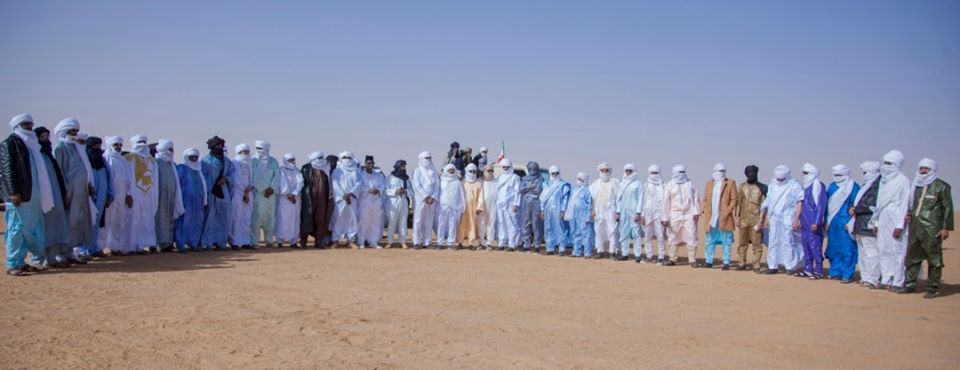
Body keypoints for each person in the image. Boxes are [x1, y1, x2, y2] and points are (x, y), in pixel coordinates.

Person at [2, 114, 54, 276]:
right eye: (25, 125)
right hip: (20, 195)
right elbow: (6, 169)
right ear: (17, 126)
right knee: (16, 228)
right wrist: (12, 192)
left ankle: (23, 262)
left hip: (33, 194)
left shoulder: (31, 145)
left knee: (29, 229)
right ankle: (13, 263)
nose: (29, 128)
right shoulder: (10, 144)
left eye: (31, 124)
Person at [904, 158, 952, 298]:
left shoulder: (941, 186)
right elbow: (912, 205)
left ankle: (932, 287)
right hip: (915, 226)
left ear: (932, 170)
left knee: (934, 259)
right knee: (912, 257)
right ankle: (910, 284)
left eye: (926, 169)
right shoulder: (916, 186)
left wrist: (945, 228)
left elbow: (947, 208)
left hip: (932, 228)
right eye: (921, 168)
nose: (923, 171)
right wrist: (909, 215)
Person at [52, 118, 96, 262]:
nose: (75, 133)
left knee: (77, 222)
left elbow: (85, 169)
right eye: (72, 130)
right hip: (68, 192)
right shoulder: (60, 147)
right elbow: (58, 171)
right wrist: (63, 191)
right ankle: (60, 253)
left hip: (81, 191)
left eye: (76, 131)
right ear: (64, 131)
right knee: (66, 221)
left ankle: (70, 252)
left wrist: (88, 185)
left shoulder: (76, 147)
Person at [876, 150, 912, 292]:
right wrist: (877, 223)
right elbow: (879, 203)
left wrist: (899, 225)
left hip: (896, 216)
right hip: (883, 216)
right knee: (883, 248)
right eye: (884, 163)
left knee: (897, 250)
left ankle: (898, 281)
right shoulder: (883, 181)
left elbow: (904, 204)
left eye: (889, 163)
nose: (886, 166)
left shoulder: (903, 181)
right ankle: (886, 279)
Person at [758, 165, 804, 274]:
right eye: (778, 179)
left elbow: (800, 201)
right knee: (773, 241)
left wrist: (796, 219)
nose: (780, 181)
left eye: (782, 179)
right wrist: (762, 219)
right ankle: (772, 265)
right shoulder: (773, 185)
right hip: (774, 217)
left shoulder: (794, 185)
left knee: (788, 241)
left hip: (788, 216)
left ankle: (790, 266)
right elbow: (767, 202)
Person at [34, 126, 67, 268]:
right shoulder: (35, 156)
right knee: (42, 228)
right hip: (41, 198)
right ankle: (39, 259)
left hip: (55, 197)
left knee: (55, 225)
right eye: (43, 137)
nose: (46, 140)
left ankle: (52, 258)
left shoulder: (49, 156)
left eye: (47, 137)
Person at [825, 164, 860, 283]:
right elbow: (827, 205)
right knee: (833, 248)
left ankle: (847, 274)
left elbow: (856, 205)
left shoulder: (853, 187)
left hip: (846, 222)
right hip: (833, 222)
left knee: (847, 248)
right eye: (835, 175)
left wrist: (851, 221)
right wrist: (826, 221)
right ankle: (835, 272)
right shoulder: (832, 186)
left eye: (839, 175)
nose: (837, 177)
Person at [99, 136, 134, 255]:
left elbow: (128, 179)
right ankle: (101, 247)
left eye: (120, 145)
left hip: (122, 195)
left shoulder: (122, 160)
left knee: (118, 222)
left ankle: (115, 247)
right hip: (111, 196)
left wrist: (128, 194)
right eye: (115, 145)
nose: (118, 147)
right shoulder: (106, 158)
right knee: (107, 222)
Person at [661, 164, 700, 266]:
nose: (681, 174)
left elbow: (696, 198)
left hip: (689, 214)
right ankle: (672, 259)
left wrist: (696, 211)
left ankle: (692, 260)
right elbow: (665, 202)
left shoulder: (690, 184)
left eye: (683, 172)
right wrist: (665, 217)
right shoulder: (669, 185)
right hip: (674, 214)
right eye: (679, 172)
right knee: (673, 235)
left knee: (691, 235)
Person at [125, 134, 159, 253]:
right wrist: (128, 193)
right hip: (135, 193)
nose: (142, 145)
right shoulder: (129, 158)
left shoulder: (151, 160)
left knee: (146, 220)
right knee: (134, 219)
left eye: (144, 142)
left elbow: (154, 179)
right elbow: (127, 178)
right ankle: (132, 246)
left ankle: (143, 244)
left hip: (148, 194)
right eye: (139, 142)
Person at [701, 163, 738, 269]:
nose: (720, 173)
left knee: (726, 240)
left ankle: (726, 262)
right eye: (718, 170)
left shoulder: (730, 183)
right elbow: (705, 199)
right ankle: (709, 261)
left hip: (724, 217)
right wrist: (705, 209)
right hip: (711, 217)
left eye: (722, 170)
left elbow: (734, 199)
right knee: (710, 240)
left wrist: (728, 210)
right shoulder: (709, 184)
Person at [796, 163, 828, 278]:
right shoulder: (806, 186)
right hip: (805, 222)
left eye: (806, 173)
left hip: (813, 222)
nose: (803, 175)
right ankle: (808, 269)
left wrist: (817, 221)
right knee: (806, 246)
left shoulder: (818, 186)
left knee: (815, 246)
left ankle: (818, 271)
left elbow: (821, 205)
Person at [200, 136, 233, 250]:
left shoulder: (227, 161)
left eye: (221, 146)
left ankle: (221, 242)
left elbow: (232, 174)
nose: (220, 148)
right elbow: (203, 179)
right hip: (211, 193)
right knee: (210, 218)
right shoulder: (205, 161)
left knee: (224, 218)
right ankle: (208, 242)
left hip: (224, 193)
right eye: (217, 146)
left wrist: (226, 179)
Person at [155, 139, 185, 252]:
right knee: (160, 219)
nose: (171, 152)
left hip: (171, 196)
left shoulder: (172, 164)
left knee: (169, 220)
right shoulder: (157, 162)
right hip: (160, 197)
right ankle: (159, 242)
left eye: (172, 149)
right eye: (169, 149)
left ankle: (168, 243)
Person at [736, 165, 767, 272]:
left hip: (756, 220)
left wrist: (762, 220)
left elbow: (764, 206)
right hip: (744, 219)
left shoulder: (761, 188)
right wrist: (738, 218)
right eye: (749, 172)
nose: (751, 174)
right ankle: (741, 262)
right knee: (742, 243)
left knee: (757, 243)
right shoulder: (741, 187)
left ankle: (756, 264)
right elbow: (739, 204)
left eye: (753, 172)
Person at [300, 151, 333, 249]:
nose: (321, 160)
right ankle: (303, 241)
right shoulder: (306, 168)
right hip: (309, 199)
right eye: (319, 158)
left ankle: (319, 241)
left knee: (321, 220)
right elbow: (302, 183)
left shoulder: (326, 169)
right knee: (307, 219)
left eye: (322, 158)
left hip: (322, 199)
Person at [175, 148, 206, 252]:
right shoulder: (181, 169)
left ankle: (194, 243)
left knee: (197, 221)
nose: (193, 159)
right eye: (191, 157)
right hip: (186, 200)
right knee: (184, 222)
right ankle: (181, 244)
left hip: (198, 201)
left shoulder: (199, 170)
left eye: (195, 157)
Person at [85, 136, 111, 257]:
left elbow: (109, 178)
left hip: (101, 196)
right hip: (88, 196)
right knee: (86, 221)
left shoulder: (103, 162)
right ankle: (83, 250)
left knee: (96, 221)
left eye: (99, 146)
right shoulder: (85, 160)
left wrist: (110, 194)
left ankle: (94, 248)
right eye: (94, 146)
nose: (97, 148)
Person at [250, 140, 279, 247]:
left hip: (271, 194)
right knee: (257, 216)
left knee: (270, 217)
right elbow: (252, 177)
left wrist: (271, 188)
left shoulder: (274, 162)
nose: (260, 151)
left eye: (262, 148)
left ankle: (269, 240)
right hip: (258, 193)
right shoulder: (252, 161)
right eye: (258, 148)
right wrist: (263, 188)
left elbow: (277, 177)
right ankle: (254, 241)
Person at [589, 162, 620, 259]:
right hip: (599, 211)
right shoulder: (595, 184)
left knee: (612, 230)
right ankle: (600, 251)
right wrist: (593, 210)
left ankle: (612, 252)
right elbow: (593, 198)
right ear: (599, 171)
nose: (605, 172)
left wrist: (618, 212)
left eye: (607, 170)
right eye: (602, 170)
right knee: (598, 231)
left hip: (611, 211)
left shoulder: (614, 183)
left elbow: (618, 199)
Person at [332, 151, 361, 247]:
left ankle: (351, 240)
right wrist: (343, 195)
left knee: (352, 219)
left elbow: (358, 184)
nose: (346, 159)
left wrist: (351, 194)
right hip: (341, 200)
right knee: (338, 218)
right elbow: (335, 184)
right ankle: (335, 240)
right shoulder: (337, 171)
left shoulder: (356, 171)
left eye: (349, 157)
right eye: (344, 157)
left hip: (352, 199)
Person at [411, 151, 440, 249]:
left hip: (431, 200)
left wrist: (432, 197)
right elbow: (416, 185)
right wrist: (425, 197)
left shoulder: (433, 171)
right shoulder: (417, 170)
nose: (429, 160)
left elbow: (437, 186)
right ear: (421, 159)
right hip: (421, 200)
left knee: (429, 221)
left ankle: (427, 242)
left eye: (430, 158)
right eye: (426, 158)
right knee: (418, 220)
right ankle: (416, 242)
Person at [639, 165, 666, 264]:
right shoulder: (646, 185)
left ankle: (661, 256)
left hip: (659, 213)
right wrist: (642, 214)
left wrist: (665, 215)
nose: (654, 175)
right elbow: (643, 200)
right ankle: (648, 255)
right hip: (648, 213)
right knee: (647, 236)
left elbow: (665, 201)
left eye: (656, 173)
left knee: (660, 235)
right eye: (652, 173)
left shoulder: (663, 185)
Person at [229, 144, 255, 249]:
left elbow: (252, 178)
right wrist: (243, 193)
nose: (246, 154)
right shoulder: (234, 163)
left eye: (247, 151)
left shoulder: (249, 164)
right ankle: (234, 241)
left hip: (248, 193)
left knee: (246, 218)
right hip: (237, 193)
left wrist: (250, 188)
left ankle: (245, 241)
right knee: (236, 217)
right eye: (244, 151)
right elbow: (235, 180)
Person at [275, 153, 303, 247]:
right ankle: (280, 240)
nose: (292, 162)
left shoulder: (297, 171)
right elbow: (281, 184)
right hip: (284, 199)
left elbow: (300, 183)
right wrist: (288, 194)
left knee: (295, 220)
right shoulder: (281, 170)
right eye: (290, 160)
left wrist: (294, 194)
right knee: (282, 219)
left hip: (295, 199)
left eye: (293, 160)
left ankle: (293, 241)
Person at [541, 165, 570, 255]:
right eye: (553, 173)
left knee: (560, 228)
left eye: (557, 173)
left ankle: (561, 248)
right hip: (547, 210)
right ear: (550, 173)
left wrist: (563, 210)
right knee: (548, 228)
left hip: (558, 210)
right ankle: (550, 248)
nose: (555, 175)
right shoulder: (545, 184)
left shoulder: (563, 185)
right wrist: (542, 210)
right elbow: (542, 198)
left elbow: (565, 199)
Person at [357, 155, 385, 248]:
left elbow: (382, 186)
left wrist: (378, 190)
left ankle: (373, 241)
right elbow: (359, 187)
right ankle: (361, 241)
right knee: (363, 221)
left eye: (372, 163)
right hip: (365, 201)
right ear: (365, 164)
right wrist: (368, 190)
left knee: (375, 221)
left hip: (376, 201)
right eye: (369, 163)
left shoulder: (378, 175)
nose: (371, 165)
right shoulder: (360, 175)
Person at [617, 164, 643, 261]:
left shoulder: (638, 184)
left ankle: (637, 255)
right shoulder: (622, 183)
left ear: (634, 171)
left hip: (633, 211)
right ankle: (625, 254)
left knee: (636, 233)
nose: (628, 172)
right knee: (623, 232)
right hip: (623, 211)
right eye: (626, 170)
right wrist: (618, 212)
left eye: (630, 171)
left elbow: (641, 199)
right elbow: (618, 199)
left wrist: (638, 212)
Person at [566, 172, 594, 258]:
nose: (579, 181)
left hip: (583, 215)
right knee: (575, 233)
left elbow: (590, 204)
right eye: (578, 179)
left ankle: (587, 252)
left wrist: (588, 216)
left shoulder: (588, 191)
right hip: (574, 215)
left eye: (581, 179)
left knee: (586, 234)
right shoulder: (574, 190)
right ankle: (576, 252)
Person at [495, 158, 521, 251]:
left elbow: (517, 191)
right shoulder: (499, 177)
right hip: (500, 204)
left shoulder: (514, 177)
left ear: (510, 167)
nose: (505, 168)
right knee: (501, 224)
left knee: (511, 224)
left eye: (507, 167)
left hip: (510, 205)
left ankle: (512, 244)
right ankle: (501, 243)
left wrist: (516, 204)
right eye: (504, 167)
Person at [438, 164, 465, 248]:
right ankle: (440, 242)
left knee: (452, 225)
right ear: (446, 171)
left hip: (454, 207)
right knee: (441, 224)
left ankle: (451, 242)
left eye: (453, 170)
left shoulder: (457, 182)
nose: (451, 172)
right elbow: (438, 193)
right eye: (449, 170)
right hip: (443, 206)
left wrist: (463, 206)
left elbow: (462, 195)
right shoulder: (441, 181)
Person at [519, 161, 544, 253]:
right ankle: (526, 245)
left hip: (536, 203)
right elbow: (520, 190)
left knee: (536, 224)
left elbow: (538, 190)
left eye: (534, 168)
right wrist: (530, 187)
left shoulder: (540, 179)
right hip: (525, 204)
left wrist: (527, 189)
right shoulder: (524, 179)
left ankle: (537, 244)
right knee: (525, 224)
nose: (533, 170)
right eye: (531, 169)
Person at [385, 160, 411, 248]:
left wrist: (405, 191)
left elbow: (411, 190)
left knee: (403, 221)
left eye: (404, 166)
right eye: (402, 166)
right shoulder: (390, 178)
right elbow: (386, 190)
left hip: (403, 200)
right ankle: (389, 241)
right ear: (397, 167)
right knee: (392, 221)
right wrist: (395, 191)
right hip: (393, 201)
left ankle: (402, 241)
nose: (404, 168)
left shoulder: (406, 179)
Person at [458, 163, 484, 249]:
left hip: (474, 208)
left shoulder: (478, 184)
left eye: (474, 171)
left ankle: (471, 242)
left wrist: (479, 207)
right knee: (462, 224)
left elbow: (481, 196)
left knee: (472, 225)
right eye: (470, 171)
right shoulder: (462, 183)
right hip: (463, 207)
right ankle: (460, 242)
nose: (472, 173)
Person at [479, 164, 498, 250]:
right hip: (482, 205)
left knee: (491, 223)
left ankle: (489, 242)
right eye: (488, 171)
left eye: (492, 170)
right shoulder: (480, 182)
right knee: (482, 223)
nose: (490, 172)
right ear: (484, 172)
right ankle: (481, 242)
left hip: (493, 205)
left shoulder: (496, 182)